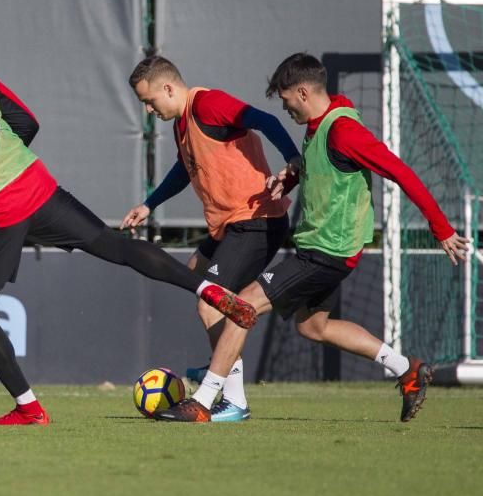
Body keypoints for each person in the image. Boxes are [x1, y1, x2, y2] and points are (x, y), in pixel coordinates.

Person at [0, 16, 258, 426]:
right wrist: (3, 157)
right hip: (38, 186)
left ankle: (29, 408)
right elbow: (27, 121)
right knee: (116, 246)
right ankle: (207, 288)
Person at [153, 53, 472, 423]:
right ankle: (406, 369)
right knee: (313, 326)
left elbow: (400, 172)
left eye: (286, 99)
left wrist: (442, 229)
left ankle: (209, 401)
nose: (285, 108)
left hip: (326, 252)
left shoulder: (343, 130)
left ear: (302, 93)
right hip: (324, 249)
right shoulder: (318, 127)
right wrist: (286, 179)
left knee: (241, 305)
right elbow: (323, 172)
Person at [119, 55, 299, 422]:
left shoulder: (209, 104)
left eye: (149, 102)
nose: (149, 110)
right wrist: (149, 204)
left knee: (211, 303)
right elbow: (184, 171)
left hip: (257, 220)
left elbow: (265, 119)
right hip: (232, 225)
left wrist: (293, 158)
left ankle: (229, 397)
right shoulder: (182, 123)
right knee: (195, 270)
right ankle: (224, 366)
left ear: (168, 88)